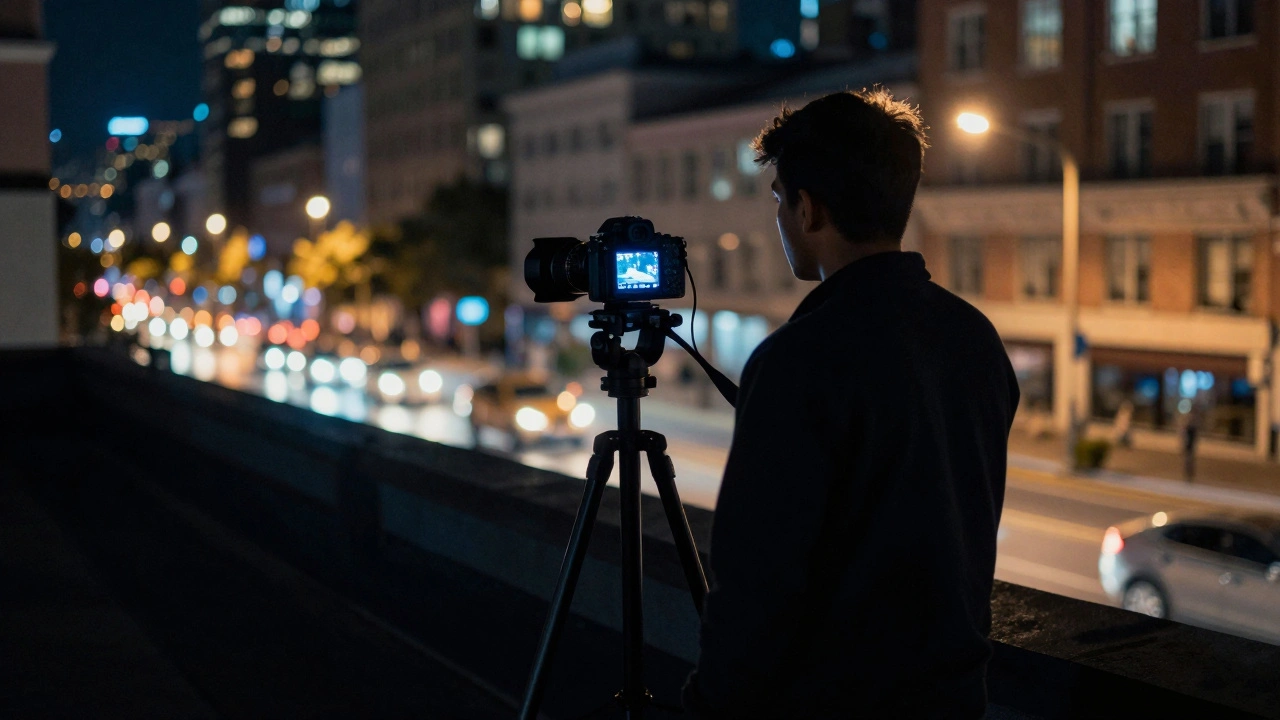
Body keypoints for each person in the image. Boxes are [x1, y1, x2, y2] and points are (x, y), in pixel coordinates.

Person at [681, 88, 1020, 719]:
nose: (780, 217)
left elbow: (756, 582)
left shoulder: (797, 360)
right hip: (954, 699)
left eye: (780, 199)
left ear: (808, 210)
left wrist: (710, 705)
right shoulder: (974, 338)